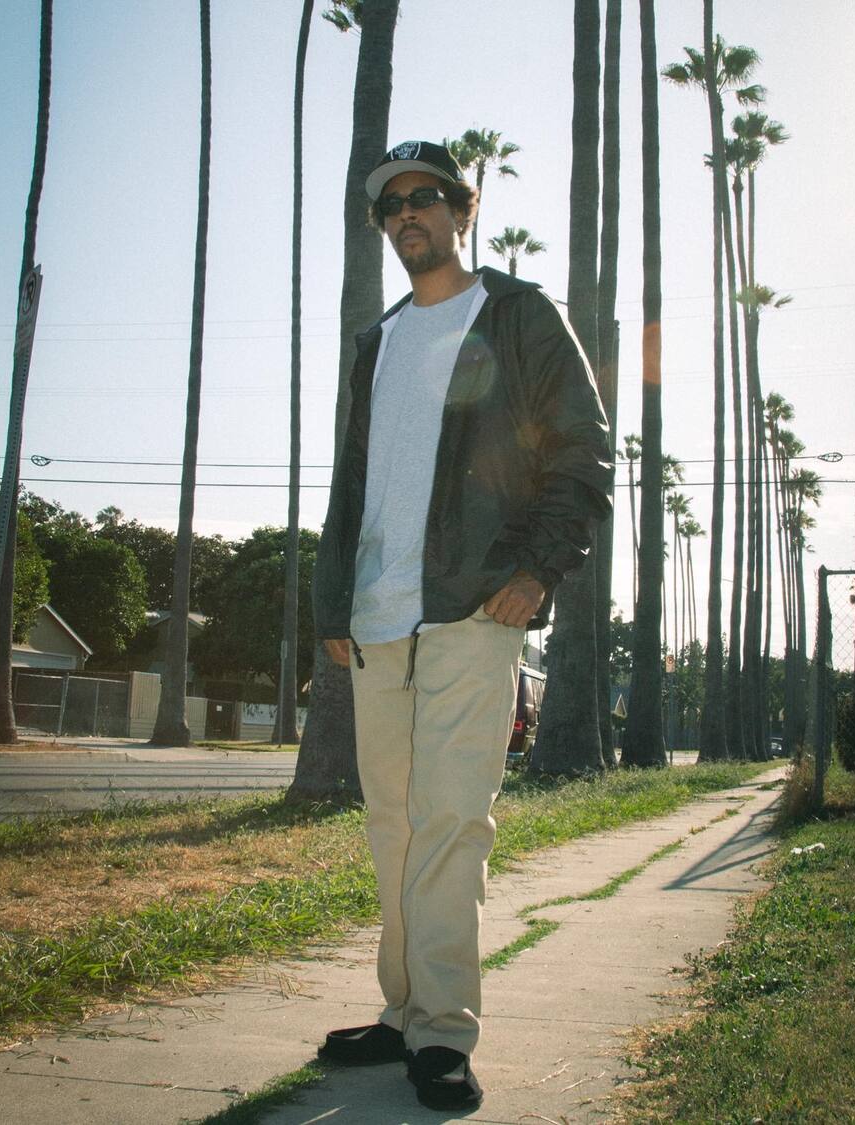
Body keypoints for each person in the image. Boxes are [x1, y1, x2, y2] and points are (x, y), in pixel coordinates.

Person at [313, 140, 612, 1111]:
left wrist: (537, 571)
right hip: (376, 618)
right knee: (394, 828)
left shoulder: (516, 316)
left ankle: (444, 1032)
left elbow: (582, 449)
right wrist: (331, 607)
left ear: (463, 207)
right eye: (391, 205)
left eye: (427, 197)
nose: (409, 214)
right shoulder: (378, 342)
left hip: (475, 609)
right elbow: (351, 487)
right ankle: (402, 1013)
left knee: (450, 824)